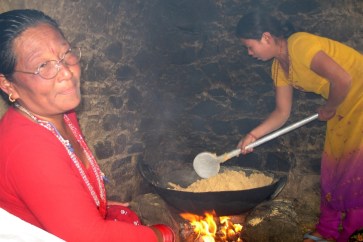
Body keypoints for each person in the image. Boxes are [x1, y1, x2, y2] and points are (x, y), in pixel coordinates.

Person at [0, 9, 175, 242]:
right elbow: (90, 237)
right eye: (43, 65)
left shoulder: (63, 113)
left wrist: (90, 204)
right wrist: (165, 235)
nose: (66, 72)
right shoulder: (28, 149)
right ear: (8, 85)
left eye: (66, 53)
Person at [235, 10, 363, 242]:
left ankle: (350, 234)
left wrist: (330, 106)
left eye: (250, 46)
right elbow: (282, 113)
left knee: (354, 171)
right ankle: (327, 231)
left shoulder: (300, 44)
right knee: (332, 168)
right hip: (343, 107)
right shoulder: (279, 68)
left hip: (360, 98)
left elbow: (343, 79)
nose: (249, 53)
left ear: (266, 37)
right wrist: (253, 135)